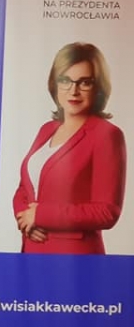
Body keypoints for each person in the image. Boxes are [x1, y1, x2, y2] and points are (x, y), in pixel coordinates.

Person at [13, 42, 126, 254]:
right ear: (54, 84)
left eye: (85, 82)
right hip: (32, 250)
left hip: (75, 256)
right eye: (65, 80)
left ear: (98, 87)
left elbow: (107, 211)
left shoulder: (107, 135)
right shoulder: (47, 129)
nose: (73, 90)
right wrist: (24, 217)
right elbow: (24, 189)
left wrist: (41, 215)